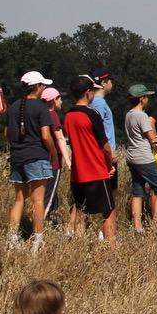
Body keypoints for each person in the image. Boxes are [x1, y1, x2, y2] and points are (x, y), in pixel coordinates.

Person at [62, 74, 119, 245]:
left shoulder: (68, 115)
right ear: (87, 93)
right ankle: (110, 246)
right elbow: (105, 146)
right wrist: (109, 166)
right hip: (96, 169)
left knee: (80, 210)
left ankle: (78, 244)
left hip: (78, 172)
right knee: (108, 211)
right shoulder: (92, 114)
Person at [4, 71, 58, 251]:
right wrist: (54, 153)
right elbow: (46, 135)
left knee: (19, 199)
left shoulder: (13, 107)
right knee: (38, 200)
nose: (43, 89)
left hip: (17, 156)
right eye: (42, 86)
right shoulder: (41, 108)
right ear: (37, 87)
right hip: (36, 155)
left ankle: (11, 237)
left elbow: (6, 134)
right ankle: (38, 238)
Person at [124, 83, 157, 231]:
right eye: (146, 96)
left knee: (137, 191)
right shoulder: (141, 116)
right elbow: (152, 138)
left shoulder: (128, 115)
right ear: (142, 99)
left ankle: (138, 227)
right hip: (144, 156)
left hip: (131, 156)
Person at [40, 88, 71, 229]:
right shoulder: (52, 115)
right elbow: (59, 138)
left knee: (52, 195)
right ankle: (41, 226)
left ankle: (54, 223)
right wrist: (67, 159)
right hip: (53, 162)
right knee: (49, 195)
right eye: (59, 98)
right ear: (53, 101)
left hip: (40, 159)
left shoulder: (39, 113)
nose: (61, 101)